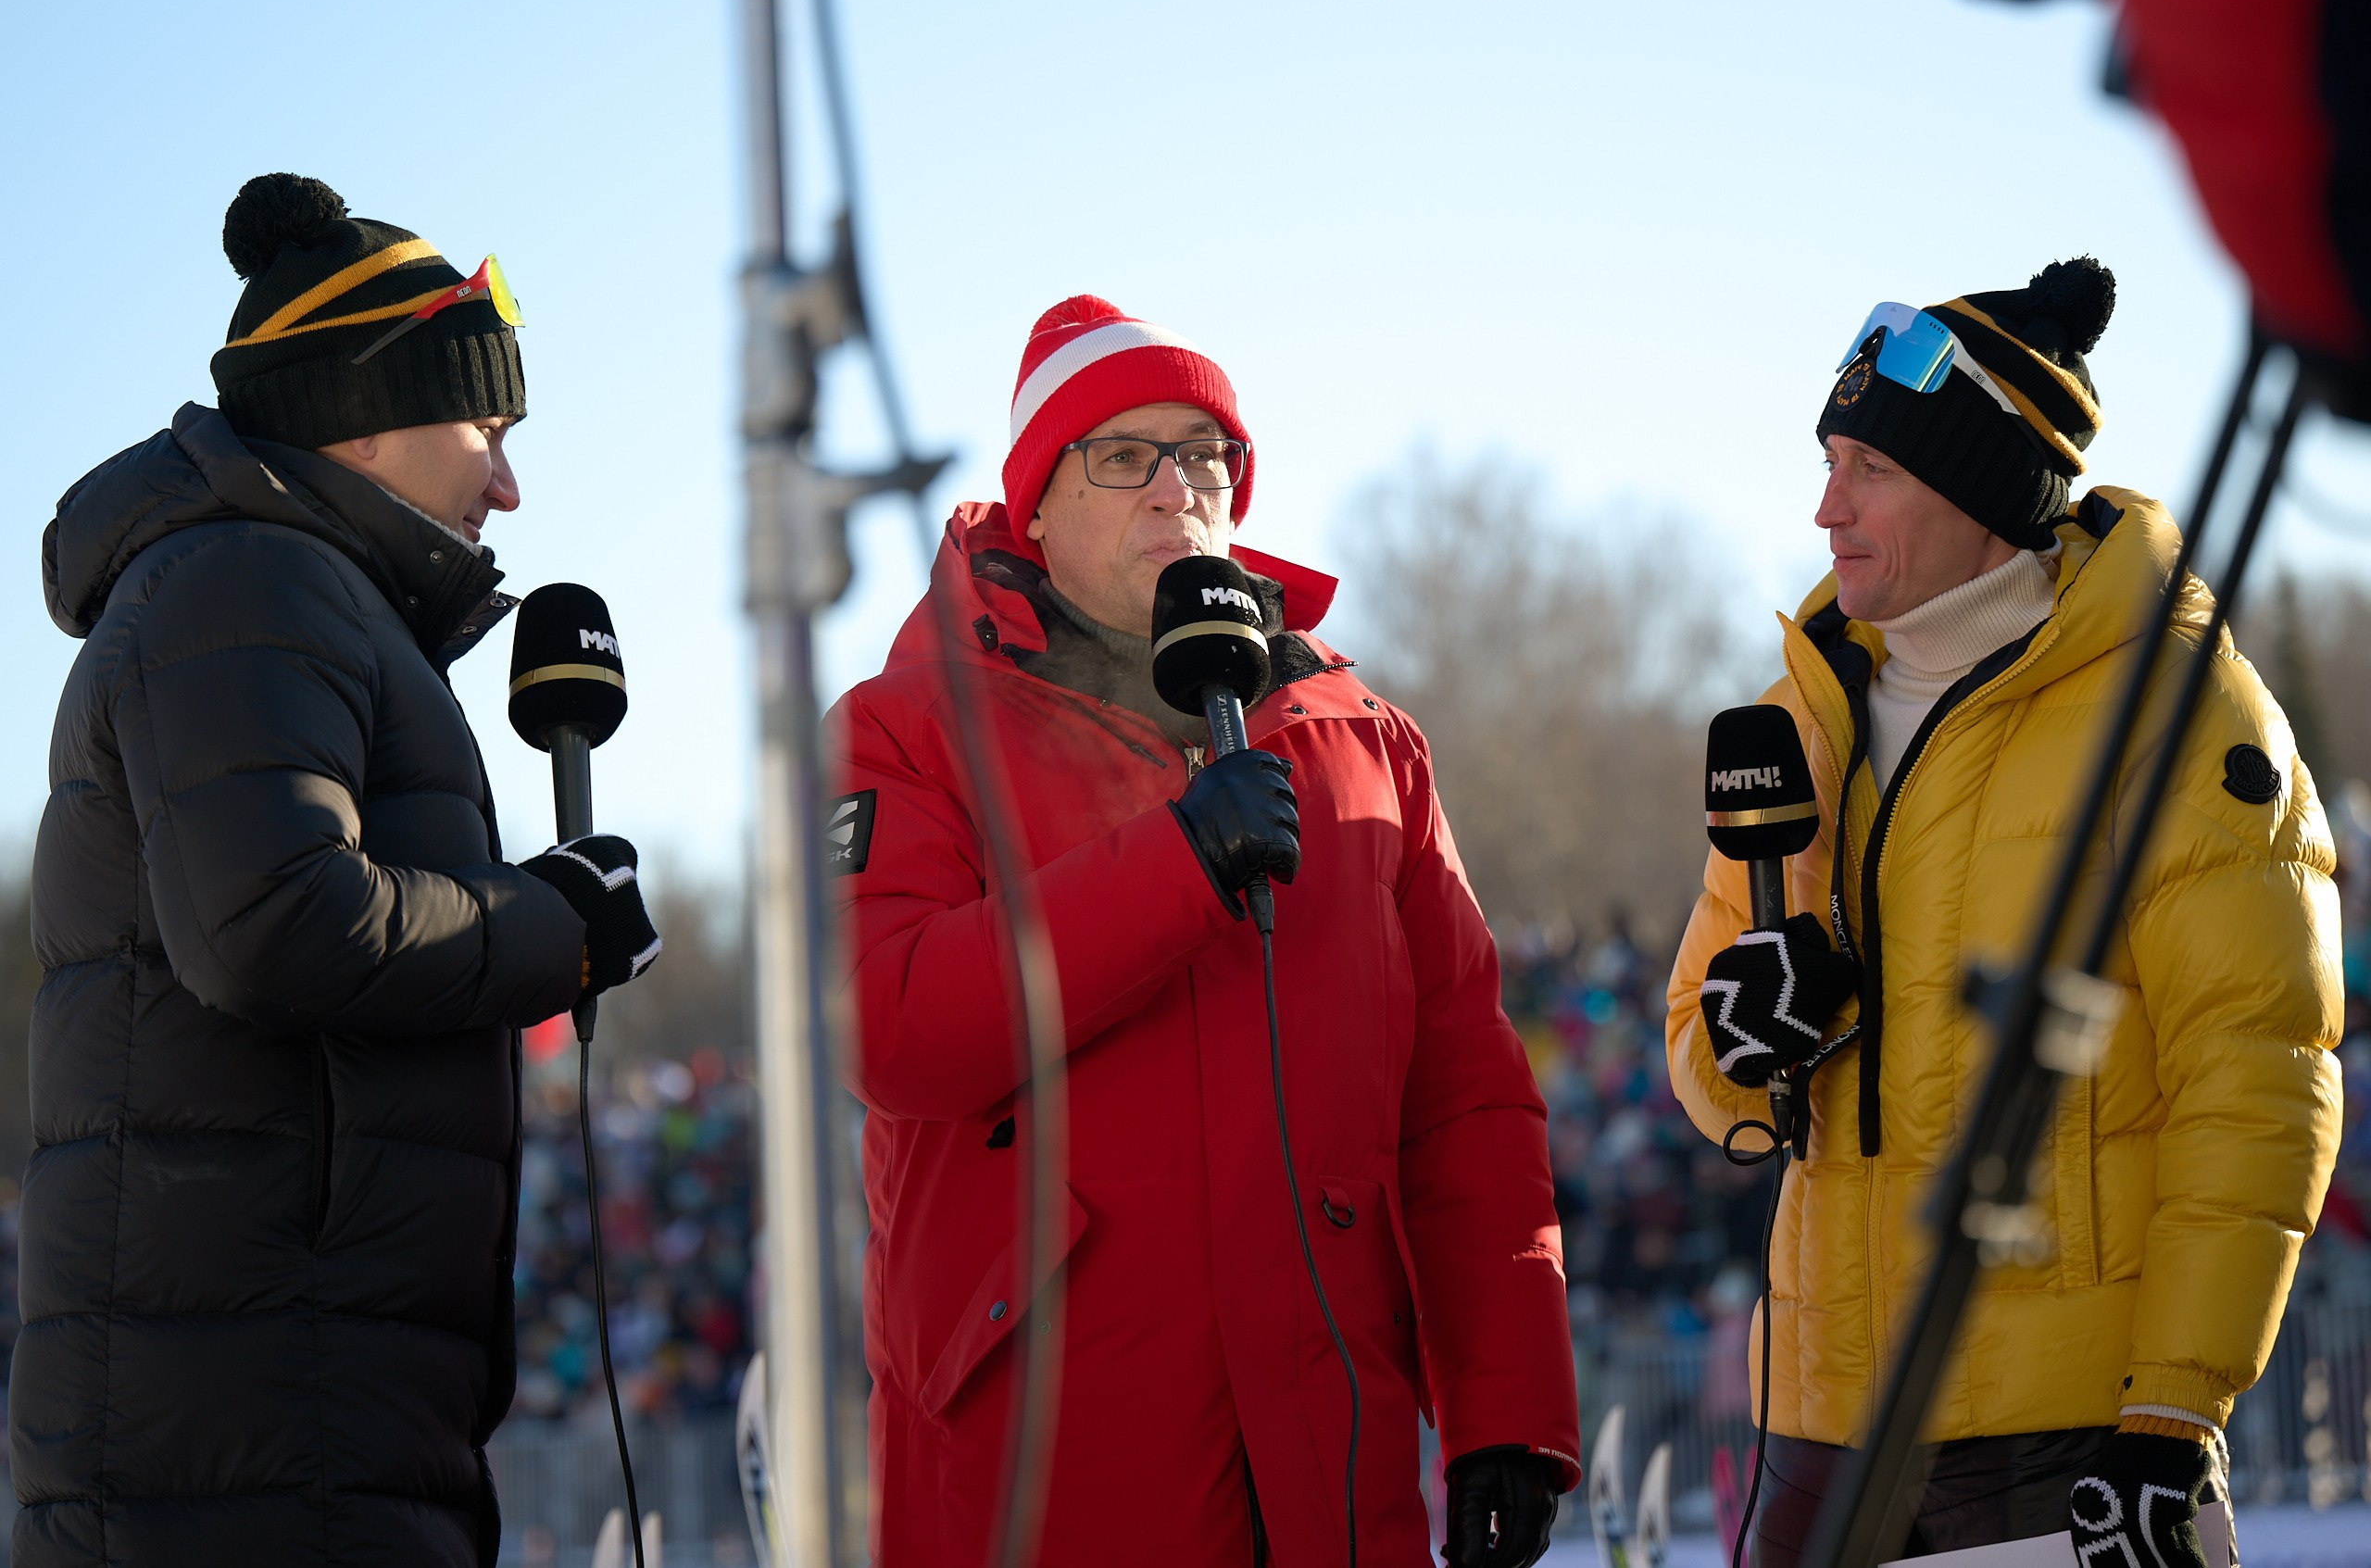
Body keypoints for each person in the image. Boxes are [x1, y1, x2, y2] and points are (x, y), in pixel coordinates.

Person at [829, 295, 1581, 1565]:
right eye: (1124, 456)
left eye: (1205, 456)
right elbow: (892, 1025)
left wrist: (1505, 1403)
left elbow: (1465, 1100)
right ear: (1037, 504)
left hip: (1328, 1467)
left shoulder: (1366, 747)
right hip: (1042, 1475)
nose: (1177, 487)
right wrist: (1176, 864)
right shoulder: (904, 730)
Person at [12, 174, 659, 1567]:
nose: (509, 484)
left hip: (295, 1423)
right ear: (362, 418)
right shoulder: (249, 580)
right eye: (487, 427)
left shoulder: (291, 592)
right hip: (253, 1453)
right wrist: (554, 926)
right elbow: (271, 921)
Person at [1665, 258, 2343, 1566]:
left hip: (2061, 1437)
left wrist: (2175, 1407)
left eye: (1870, 468)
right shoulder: (1796, 712)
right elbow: (1700, 1058)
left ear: (1977, 488)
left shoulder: (2177, 704)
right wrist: (1744, 1039)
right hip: (1815, 1431)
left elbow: (2258, 1078)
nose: (1825, 507)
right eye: (1829, 462)